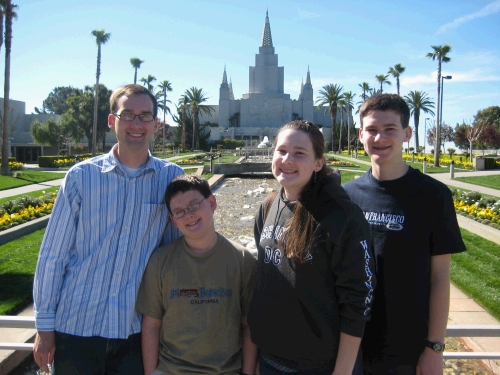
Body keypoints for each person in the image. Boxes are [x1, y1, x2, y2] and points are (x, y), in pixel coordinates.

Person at [32, 84, 184, 374]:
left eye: (145, 116)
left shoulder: (171, 179)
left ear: (156, 124)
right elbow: (53, 256)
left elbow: (175, 257)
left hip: (135, 333)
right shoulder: (81, 178)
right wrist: (44, 327)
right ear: (113, 121)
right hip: (76, 328)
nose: (137, 124)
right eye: (128, 115)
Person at [343, 94, 466, 375]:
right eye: (372, 130)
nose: (380, 137)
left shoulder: (434, 196)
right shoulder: (348, 196)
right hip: (352, 346)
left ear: (407, 134)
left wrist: (434, 348)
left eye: (390, 129)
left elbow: (439, 278)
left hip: (406, 351)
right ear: (361, 135)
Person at [248, 120, 375, 375]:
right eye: (281, 150)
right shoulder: (268, 206)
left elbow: (357, 301)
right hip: (270, 362)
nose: (287, 159)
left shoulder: (341, 217)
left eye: (299, 153)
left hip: (320, 367)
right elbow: (262, 285)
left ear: (318, 162)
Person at [136, 174, 258, 375]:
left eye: (194, 205)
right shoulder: (160, 261)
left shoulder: (242, 259)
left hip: (226, 371)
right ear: (173, 221)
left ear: (212, 202)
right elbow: (152, 324)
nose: (189, 215)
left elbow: (248, 325)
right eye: (179, 212)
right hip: (171, 370)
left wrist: (247, 373)